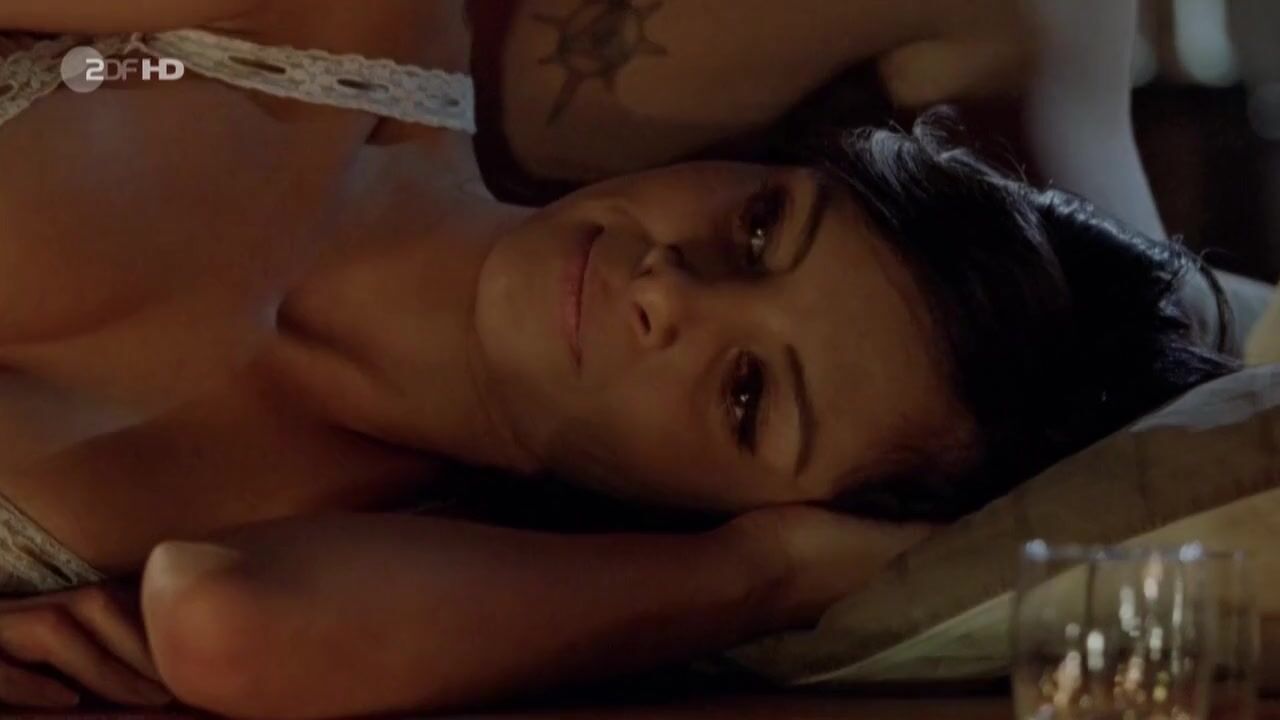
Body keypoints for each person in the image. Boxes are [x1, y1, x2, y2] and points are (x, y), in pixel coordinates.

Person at [0, 0, 1245, 714]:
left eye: (745, 395)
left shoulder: (385, 566)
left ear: (736, 505)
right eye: (758, 231)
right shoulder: (346, 28)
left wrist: (757, 577)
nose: (666, 291)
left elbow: (224, 625)